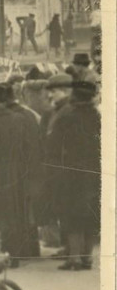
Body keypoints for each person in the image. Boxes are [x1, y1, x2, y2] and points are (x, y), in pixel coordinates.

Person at [0, 83, 40, 264]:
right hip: (16, 170)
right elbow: (27, 147)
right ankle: (16, 252)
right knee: (16, 211)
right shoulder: (18, 119)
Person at [44, 81, 101, 271]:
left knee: (71, 214)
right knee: (91, 214)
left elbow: (53, 145)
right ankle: (87, 257)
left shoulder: (66, 116)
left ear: (75, 96)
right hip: (94, 171)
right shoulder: (97, 116)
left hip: (70, 172)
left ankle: (74, 258)